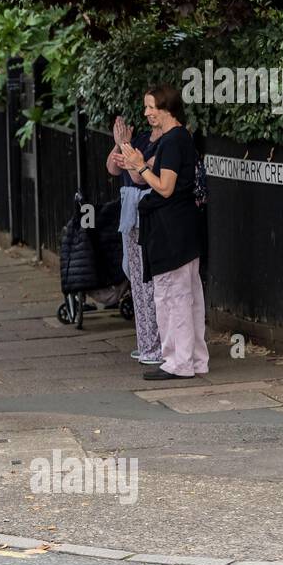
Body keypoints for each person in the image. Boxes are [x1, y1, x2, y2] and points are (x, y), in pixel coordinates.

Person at [118, 86, 207, 381]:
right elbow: (146, 173)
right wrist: (136, 163)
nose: (146, 113)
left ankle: (177, 362)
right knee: (189, 295)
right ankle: (194, 358)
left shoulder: (172, 141)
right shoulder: (180, 138)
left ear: (166, 108)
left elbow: (164, 186)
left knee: (171, 296)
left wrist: (140, 166)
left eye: (151, 107)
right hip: (184, 229)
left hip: (171, 230)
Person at [108, 109, 164, 367]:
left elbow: (136, 176)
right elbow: (111, 168)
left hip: (147, 215)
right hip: (131, 216)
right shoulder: (139, 141)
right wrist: (119, 143)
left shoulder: (161, 143)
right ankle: (145, 343)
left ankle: (155, 345)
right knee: (136, 278)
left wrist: (125, 145)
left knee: (148, 281)